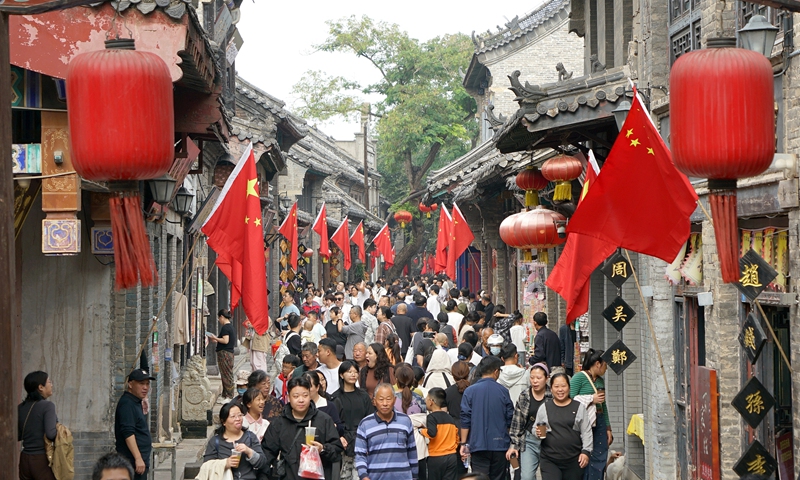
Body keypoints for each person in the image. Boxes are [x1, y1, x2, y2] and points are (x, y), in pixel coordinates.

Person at [261, 377, 343, 480]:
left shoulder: (323, 420)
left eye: (305, 395)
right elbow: (267, 454)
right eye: (296, 396)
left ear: (310, 396)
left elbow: (337, 451)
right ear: (288, 398)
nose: (301, 400)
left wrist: (322, 449)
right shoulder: (279, 423)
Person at [459, 356, 514, 480]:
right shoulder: (503, 391)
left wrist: (464, 443)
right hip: (499, 444)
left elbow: (465, 419)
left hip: (478, 444)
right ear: (496, 371)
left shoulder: (470, 391)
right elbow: (509, 418)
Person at [355, 383, 419, 480]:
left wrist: (414, 476)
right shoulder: (365, 424)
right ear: (374, 401)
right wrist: (364, 476)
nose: (385, 403)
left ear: (394, 400)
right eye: (381, 399)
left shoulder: (405, 421)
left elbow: (412, 451)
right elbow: (360, 454)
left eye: (388, 399)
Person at [535, 373, 593, 480]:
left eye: (563, 386)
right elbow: (536, 428)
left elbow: (586, 432)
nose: (560, 390)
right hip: (549, 460)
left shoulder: (578, 407)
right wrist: (537, 433)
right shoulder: (545, 407)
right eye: (556, 386)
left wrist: (586, 452)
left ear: (569, 387)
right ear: (551, 389)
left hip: (574, 460)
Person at [570, 349, 611, 480]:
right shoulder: (578, 378)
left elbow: (603, 404)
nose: (606, 368)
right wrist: (590, 399)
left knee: (600, 453)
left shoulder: (600, 381)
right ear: (598, 364)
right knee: (585, 453)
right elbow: (570, 399)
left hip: (599, 420)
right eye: (605, 365)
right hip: (584, 420)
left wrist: (608, 428)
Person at [506, 363, 551, 480]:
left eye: (539, 378)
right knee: (526, 476)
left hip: (550, 441)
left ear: (547, 378)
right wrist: (514, 445)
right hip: (529, 440)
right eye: (532, 377)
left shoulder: (552, 395)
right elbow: (517, 423)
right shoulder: (524, 396)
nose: (535, 381)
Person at [332, 361, 374, 480]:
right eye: (349, 372)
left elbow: (370, 418)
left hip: (362, 439)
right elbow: (334, 422)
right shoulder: (336, 397)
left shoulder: (363, 395)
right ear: (341, 375)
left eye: (355, 372)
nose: (353, 375)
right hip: (344, 442)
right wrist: (340, 437)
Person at [203, 402, 267, 480]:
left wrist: (249, 451)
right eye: (233, 416)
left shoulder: (250, 437)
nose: (238, 419)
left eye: (240, 415)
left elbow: (263, 463)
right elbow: (206, 466)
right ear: (223, 422)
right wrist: (225, 463)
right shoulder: (215, 442)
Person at [115, 369, 154, 479]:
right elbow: (128, 433)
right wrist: (138, 458)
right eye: (141, 384)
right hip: (132, 462)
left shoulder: (135, 401)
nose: (145, 387)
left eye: (147, 384)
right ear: (130, 384)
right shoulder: (127, 404)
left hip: (139, 462)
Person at [18, 371, 57, 480]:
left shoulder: (20, 407)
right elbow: (51, 434)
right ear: (41, 387)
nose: (51, 385)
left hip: (24, 459)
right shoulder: (48, 406)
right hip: (42, 460)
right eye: (49, 382)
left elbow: (18, 435)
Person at [421, 387, 459, 480]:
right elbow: (456, 438)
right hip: (451, 457)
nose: (425, 401)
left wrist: (421, 431)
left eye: (426, 398)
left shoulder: (431, 417)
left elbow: (432, 433)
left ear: (431, 401)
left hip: (436, 457)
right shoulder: (450, 418)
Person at [303, 371, 343, 437]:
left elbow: (340, 429)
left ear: (317, 387)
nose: (306, 390)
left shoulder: (329, 405)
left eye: (309, 386)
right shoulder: (300, 406)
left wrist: (333, 426)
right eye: (304, 387)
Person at [208, 309, 236, 402]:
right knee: (226, 374)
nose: (219, 320)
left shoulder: (225, 328)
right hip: (228, 353)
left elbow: (225, 341)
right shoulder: (230, 327)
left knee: (226, 375)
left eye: (219, 318)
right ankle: (225, 395)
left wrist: (215, 338)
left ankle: (229, 396)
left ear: (222, 317)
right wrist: (216, 339)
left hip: (225, 354)